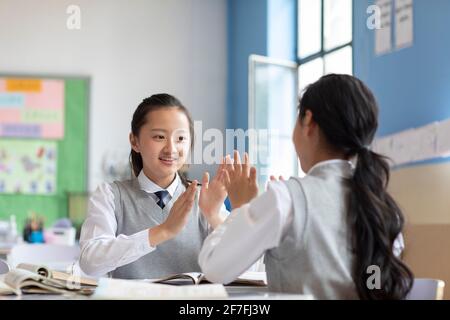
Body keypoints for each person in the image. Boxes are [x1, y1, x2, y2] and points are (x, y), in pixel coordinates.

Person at [199, 74, 414, 299]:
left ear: (308, 121)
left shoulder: (286, 199)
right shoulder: (383, 209)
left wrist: (242, 207)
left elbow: (215, 267)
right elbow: (375, 283)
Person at [79, 94, 228, 279]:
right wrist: (162, 231)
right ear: (135, 141)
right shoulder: (110, 195)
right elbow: (90, 263)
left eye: (180, 138)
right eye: (159, 136)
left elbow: (241, 268)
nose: (171, 149)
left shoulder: (204, 198)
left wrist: (215, 218)